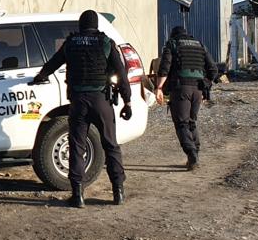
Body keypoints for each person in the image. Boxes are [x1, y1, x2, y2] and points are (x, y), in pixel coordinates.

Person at [32, 10, 132, 208]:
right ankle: (118, 191)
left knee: (77, 146)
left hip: (79, 102)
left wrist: (40, 77)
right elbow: (121, 72)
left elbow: (52, 64)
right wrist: (127, 101)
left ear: (80, 25)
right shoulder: (105, 42)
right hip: (101, 100)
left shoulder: (71, 43)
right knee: (110, 144)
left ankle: (78, 195)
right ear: (96, 25)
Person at [154, 25, 218, 170]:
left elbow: (164, 67)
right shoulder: (199, 45)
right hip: (198, 90)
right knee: (191, 122)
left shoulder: (173, 44)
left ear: (173, 35)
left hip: (181, 89)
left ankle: (192, 154)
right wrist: (205, 84)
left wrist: (158, 88)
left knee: (182, 123)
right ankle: (195, 154)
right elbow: (213, 70)